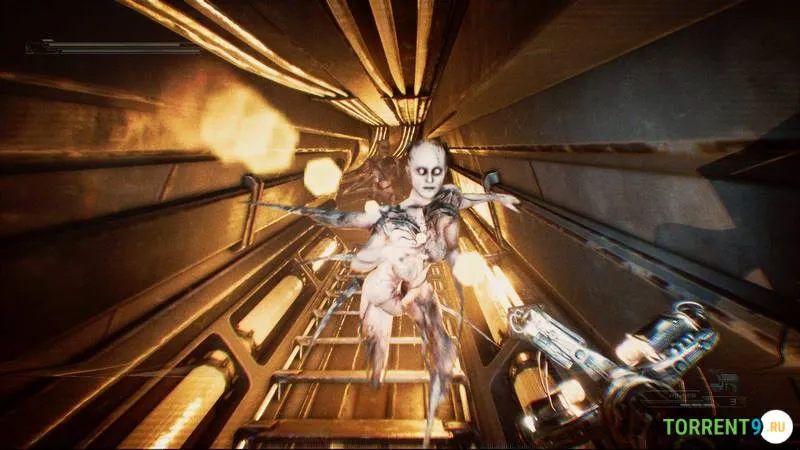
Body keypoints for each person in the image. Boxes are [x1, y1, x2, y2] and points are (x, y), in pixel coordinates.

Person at [249, 139, 519, 446]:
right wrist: (309, 212)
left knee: (425, 309)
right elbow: (350, 221)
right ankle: (378, 361)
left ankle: (436, 360)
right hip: (390, 275)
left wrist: (494, 196)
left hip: (415, 275)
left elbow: (458, 201)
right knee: (379, 304)